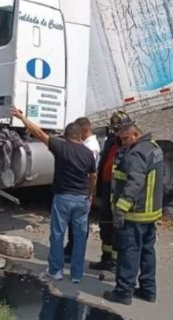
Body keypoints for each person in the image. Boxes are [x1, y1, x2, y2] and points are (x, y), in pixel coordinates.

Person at [10, 107, 96, 283]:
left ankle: (55, 271)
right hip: (82, 199)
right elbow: (93, 176)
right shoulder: (88, 153)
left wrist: (21, 117)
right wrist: (90, 194)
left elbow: (38, 132)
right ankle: (76, 275)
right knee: (80, 237)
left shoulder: (61, 147)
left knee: (57, 234)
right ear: (80, 136)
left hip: (63, 197)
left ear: (66, 136)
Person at [103, 119, 163, 305]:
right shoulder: (154, 148)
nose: (123, 143)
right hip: (150, 212)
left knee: (129, 252)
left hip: (135, 213)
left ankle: (123, 292)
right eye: (121, 139)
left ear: (136, 135)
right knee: (147, 251)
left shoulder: (136, 154)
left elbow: (134, 183)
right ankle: (148, 289)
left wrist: (120, 208)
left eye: (126, 138)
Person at [89, 111, 130, 273]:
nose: (117, 132)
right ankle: (106, 258)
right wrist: (97, 190)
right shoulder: (111, 141)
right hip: (106, 187)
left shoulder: (129, 145)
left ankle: (115, 262)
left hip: (118, 191)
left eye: (119, 129)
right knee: (105, 224)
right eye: (115, 129)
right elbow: (103, 163)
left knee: (117, 227)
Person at [64, 117, 101, 264]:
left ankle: (75, 253)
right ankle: (70, 249)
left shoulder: (91, 147)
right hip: (79, 189)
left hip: (82, 190)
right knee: (74, 224)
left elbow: (89, 172)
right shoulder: (86, 144)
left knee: (79, 225)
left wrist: (89, 193)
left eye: (79, 132)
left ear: (85, 130)